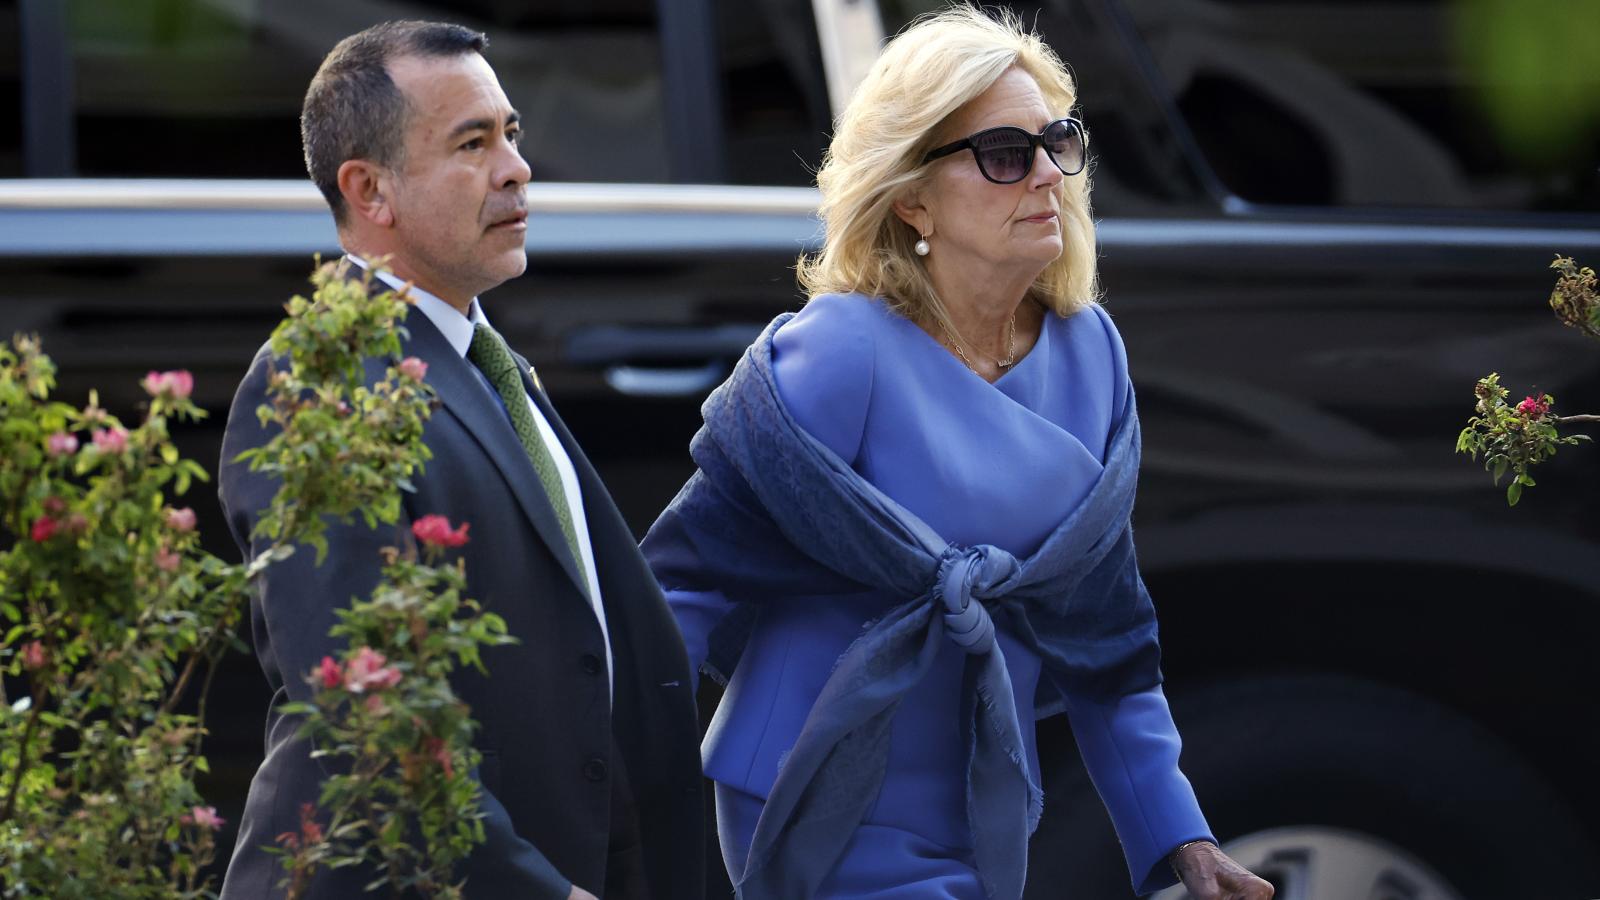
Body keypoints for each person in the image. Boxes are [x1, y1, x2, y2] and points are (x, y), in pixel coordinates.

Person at [641, 8, 1273, 900]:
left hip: (986, 802)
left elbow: (1104, 632)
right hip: (815, 785)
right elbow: (685, 581)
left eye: (1058, 142)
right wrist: (615, 782)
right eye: (1005, 155)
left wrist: (1182, 838)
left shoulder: (1092, 354)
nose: (1048, 175)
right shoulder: (841, 350)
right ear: (912, 197)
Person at [217, 21, 702, 900]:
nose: (516, 167)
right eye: (472, 142)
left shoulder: (486, 362)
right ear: (370, 191)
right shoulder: (320, 380)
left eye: (511, 133)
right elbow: (368, 717)